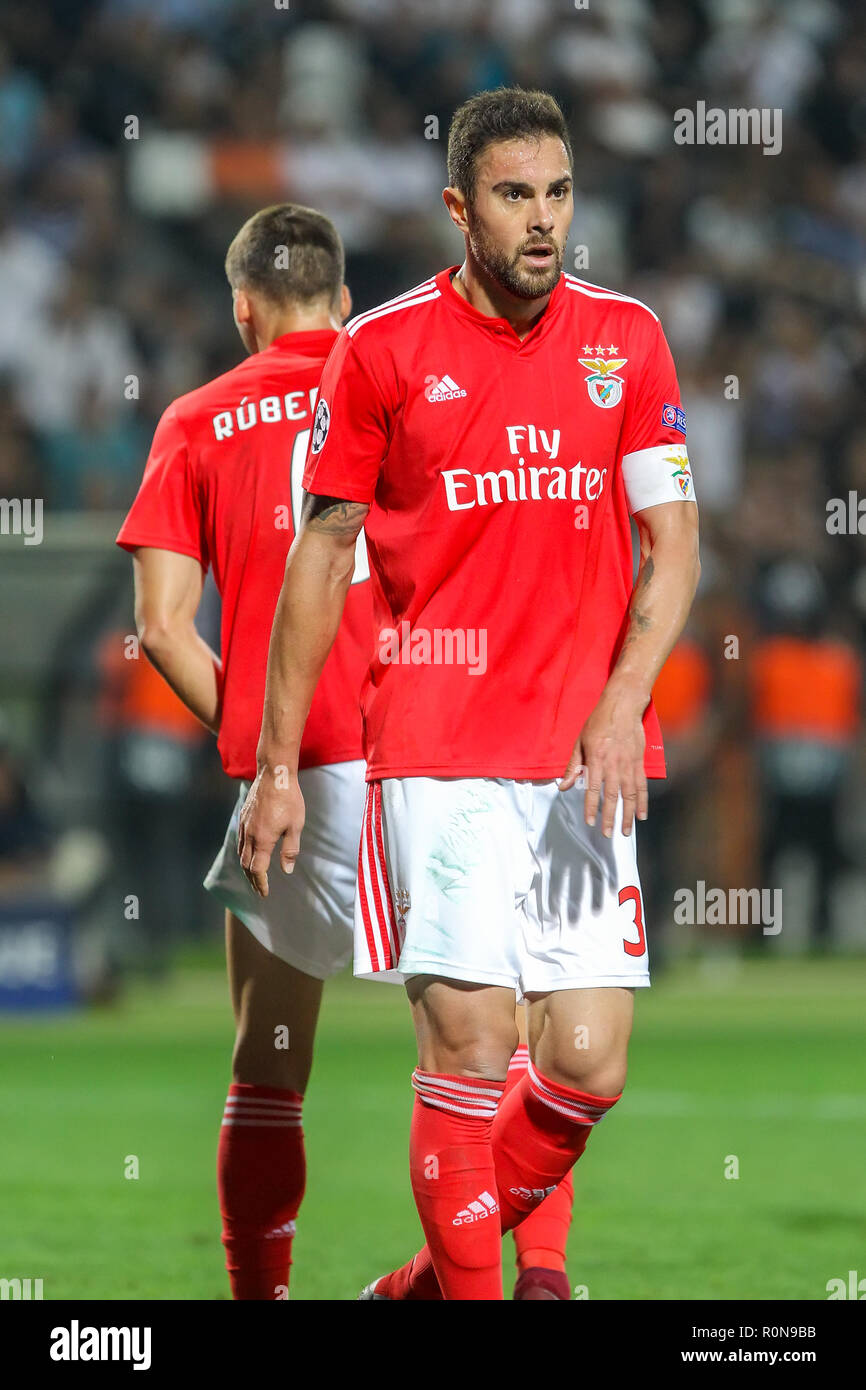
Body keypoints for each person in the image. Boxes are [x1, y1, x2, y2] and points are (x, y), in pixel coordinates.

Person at [238, 88, 701, 1301]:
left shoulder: (628, 338)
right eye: (513, 196)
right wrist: (280, 767)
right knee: (470, 1045)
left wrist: (621, 702)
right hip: (436, 753)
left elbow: (676, 547)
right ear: (458, 207)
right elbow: (319, 558)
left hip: (581, 762)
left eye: (555, 193)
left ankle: (412, 1287)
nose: (541, 222)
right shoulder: (381, 350)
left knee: (587, 1063)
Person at [116, 203, 372, 1299]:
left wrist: (263, 733)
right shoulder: (408, 388)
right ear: (345, 300)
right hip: (427, 756)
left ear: (241, 310)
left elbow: (164, 625)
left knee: (266, 1070)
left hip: (295, 774)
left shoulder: (194, 418)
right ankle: (473, 1277)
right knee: (478, 1050)